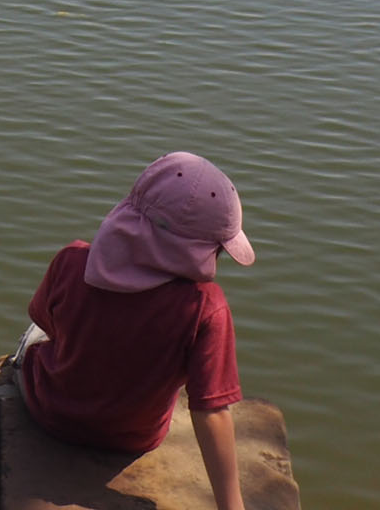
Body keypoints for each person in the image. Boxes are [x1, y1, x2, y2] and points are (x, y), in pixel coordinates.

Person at [14, 153, 257, 510]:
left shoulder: (71, 261)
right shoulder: (206, 309)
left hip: (48, 411)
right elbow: (212, 410)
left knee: (35, 332)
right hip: (134, 437)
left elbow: (46, 321)